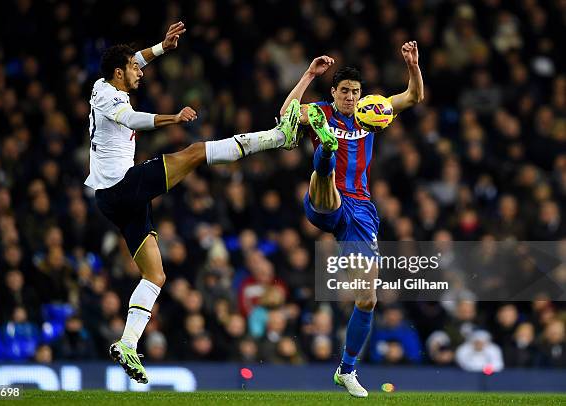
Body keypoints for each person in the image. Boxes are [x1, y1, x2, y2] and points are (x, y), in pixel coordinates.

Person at [85, 22, 302, 384]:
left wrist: (163, 48)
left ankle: (126, 343)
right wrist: (174, 118)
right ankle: (278, 137)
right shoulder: (112, 98)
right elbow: (131, 118)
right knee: (197, 151)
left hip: (113, 196)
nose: (141, 71)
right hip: (123, 186)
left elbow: (134, 59)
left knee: (155, 275)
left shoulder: (102, 83)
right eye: (135, 69)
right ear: (119, 73)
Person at [280, 41, 424, 397]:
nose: (350, 97)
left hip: (360, 211)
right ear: (334, 92)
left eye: (355, 92)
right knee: (325, 175)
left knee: (367, 297)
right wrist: (309, 74)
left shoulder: (370, 112)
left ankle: (347, 369)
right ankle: (326, 150)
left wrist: (413, 65)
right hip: (325, 200)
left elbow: (412, 97)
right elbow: (285, 115)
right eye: (344, 91)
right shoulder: (320, 111)